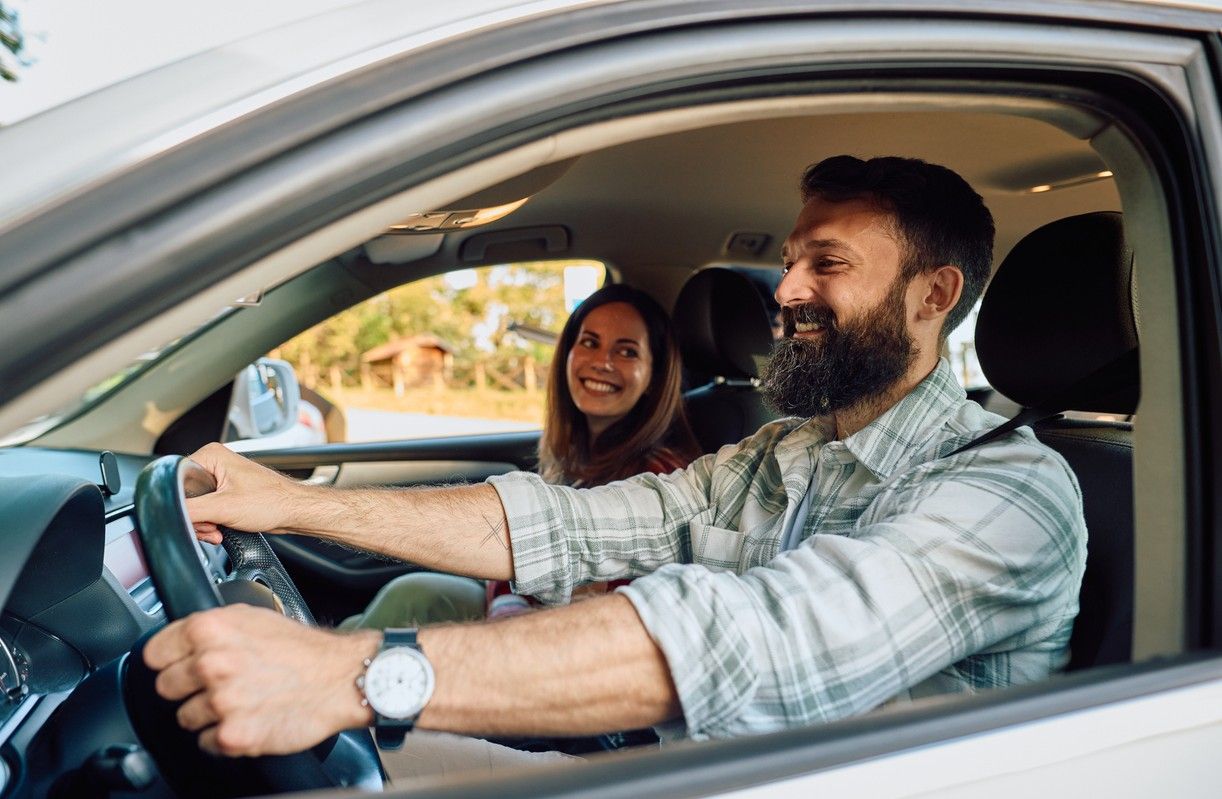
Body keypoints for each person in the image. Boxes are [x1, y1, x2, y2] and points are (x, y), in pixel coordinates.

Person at [144, 155, 1086, 778]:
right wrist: (286, 503)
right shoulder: (783, 451)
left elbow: (762, 637)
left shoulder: (1013, 492)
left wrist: (353, 671)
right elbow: (565, 523)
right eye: (791, 259)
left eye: (825, 263)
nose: (788, 290)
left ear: (935, 295)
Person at [340, 283, 700, 630]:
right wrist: (505, 601)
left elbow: (616, 604)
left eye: (626, 352)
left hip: (565, 640)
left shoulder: (659, 478)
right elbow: (518, 548)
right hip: (524, 611)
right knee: (386, 610)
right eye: (589, 342)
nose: (601, 362)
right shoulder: (577, 457)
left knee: (405, 602)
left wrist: (511, 612)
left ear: (654, 375)